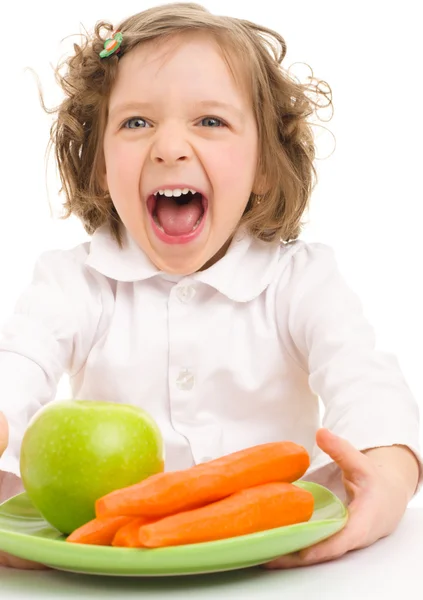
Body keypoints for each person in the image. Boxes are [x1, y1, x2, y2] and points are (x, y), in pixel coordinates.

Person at [0, 1, 421, 571]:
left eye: (210, 121)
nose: (169, 147)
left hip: (277, 554)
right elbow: (17, 362)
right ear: (101, 164)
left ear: (264, 165)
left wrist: (390, 475)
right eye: (136, 122)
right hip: (112, 547)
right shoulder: (75, 282)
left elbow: (366, 381)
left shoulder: (300, 281)